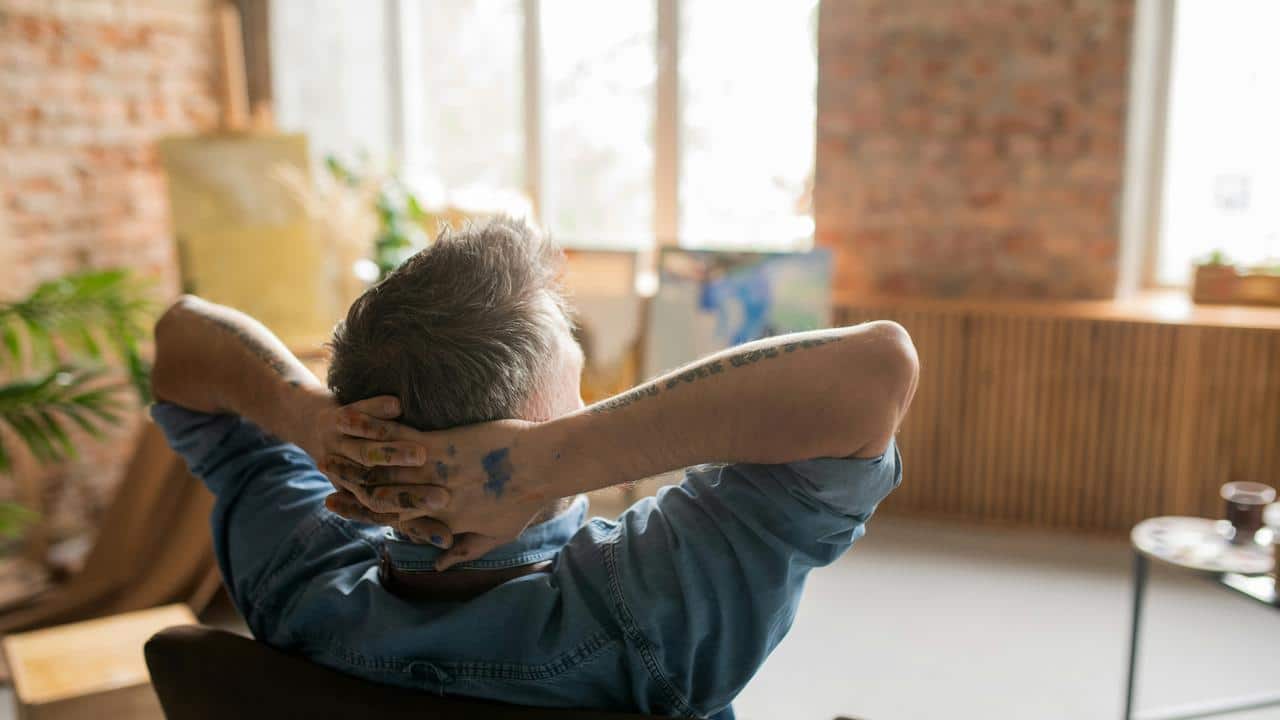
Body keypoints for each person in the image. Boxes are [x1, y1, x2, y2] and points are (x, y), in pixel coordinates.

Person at [150, 217, 918, 719]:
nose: (592, 409)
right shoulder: (649, 613)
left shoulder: (293, 567)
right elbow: (874, 372)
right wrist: (541, 465)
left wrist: (308, 419)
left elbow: (180, 337)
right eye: (575, 399)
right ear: (526, 435)